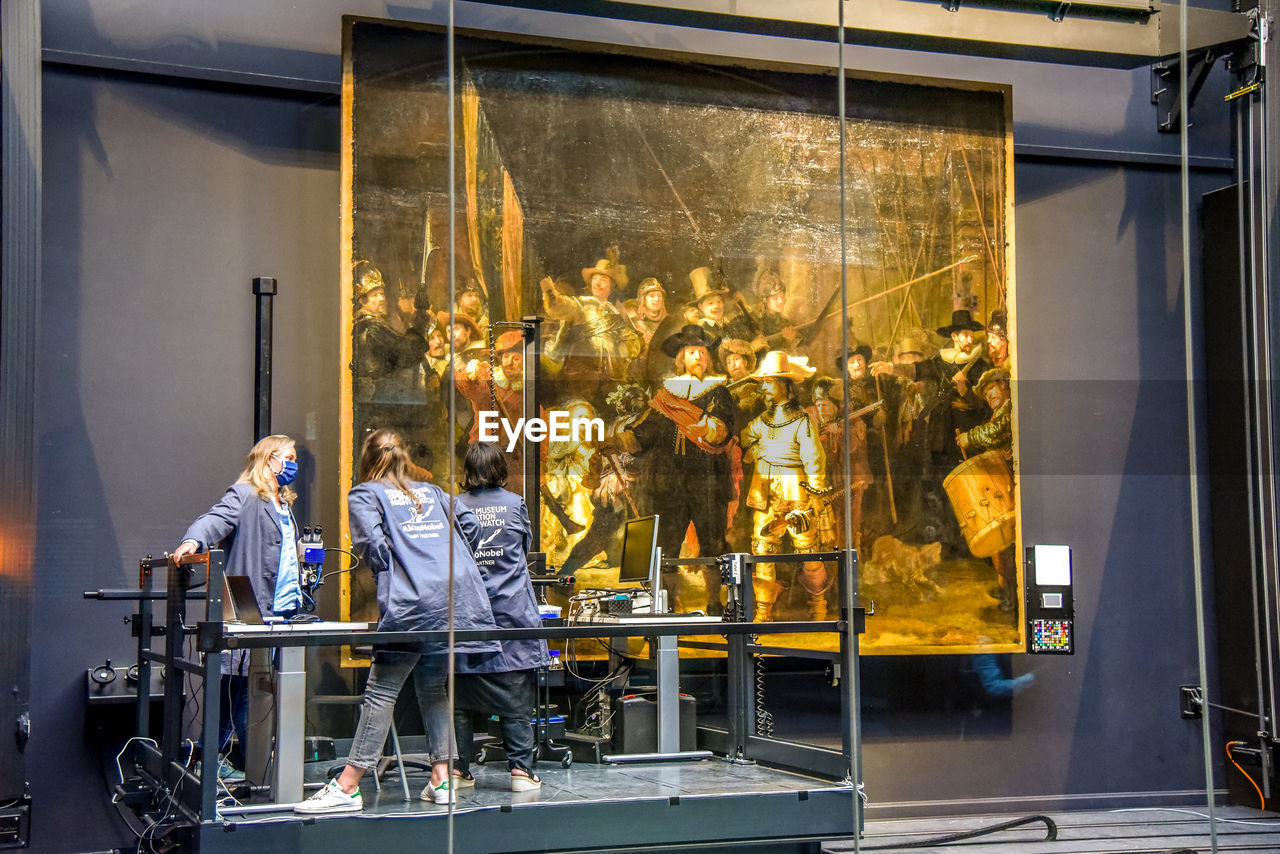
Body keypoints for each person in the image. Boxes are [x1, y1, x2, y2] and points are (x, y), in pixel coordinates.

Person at [296, 430, 499, 814]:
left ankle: (348, 786)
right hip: (453, 599)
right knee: (433, 689)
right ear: (404, 457)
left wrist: (396, 570)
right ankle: (442, 779)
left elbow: (371, 544)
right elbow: (470, 526)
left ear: (368, 459)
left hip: (414, 603)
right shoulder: (433, 492)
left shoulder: (365, 494)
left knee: (381, 690)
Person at [173, 435, 304, 773]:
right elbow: (213, 520)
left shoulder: (284, 505)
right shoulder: (245, 495)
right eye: (287, 457)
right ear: (268, 459)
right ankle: (211, 763)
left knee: (256, 691)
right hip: (249, 611)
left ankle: (252, 767)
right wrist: (192, 541)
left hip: (281, 615)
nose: (293, 464)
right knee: (234, 690)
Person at [453, 442, 551, 792]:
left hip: (470, 617)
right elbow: (523, 552)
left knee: (460, 700)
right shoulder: (516, 504)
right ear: (499, 468)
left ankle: (458, 771)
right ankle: (521, 772)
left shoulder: (455, 506)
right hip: (513, 615)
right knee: (517, 696)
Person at [623, 324, 735, 613]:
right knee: (668, 544)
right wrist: (620, 441)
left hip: (707, 480)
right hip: (669, 482)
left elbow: (723, 428)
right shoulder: (666, 394)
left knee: (712, 542)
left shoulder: (718, 390)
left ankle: (714, 602)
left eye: (702, 352)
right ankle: (669, 602)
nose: (698, 357)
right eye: (692, 352)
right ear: (681, 358)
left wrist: (707, 428)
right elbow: (646, 429)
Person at [738, 352, 830, 620]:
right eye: (764, 382)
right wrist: (757, 450)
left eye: (769, 382)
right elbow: (745, 438)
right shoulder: (761, 421)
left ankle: (818, 606)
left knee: (807, 548)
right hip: (764, 490)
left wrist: (815, 492)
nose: (765, 387)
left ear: (784, 386)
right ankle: (764, 612)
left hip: (796, 489)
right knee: (763, 550)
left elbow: (814, 459)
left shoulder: (802, 421)